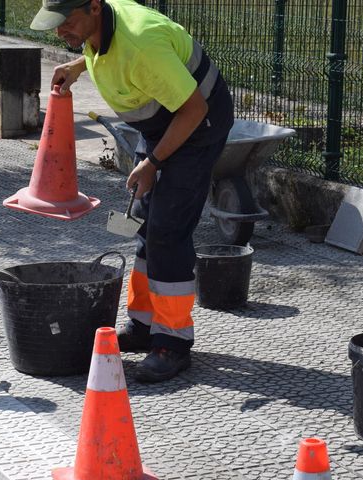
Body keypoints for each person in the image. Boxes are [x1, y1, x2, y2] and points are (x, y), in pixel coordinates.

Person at [31, 0, 234, 382]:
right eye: (55, 25)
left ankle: (172, 343)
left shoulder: (141, 45)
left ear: (93, 7)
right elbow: (105, 48)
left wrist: (153, 162)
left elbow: (193, 109)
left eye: (66, 22)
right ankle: (143, 325)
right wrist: (78, 65)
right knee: (143, 224)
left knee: (168, 233)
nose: (60, 32)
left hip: (197, 126)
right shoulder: (98, 24)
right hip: (161, 124)